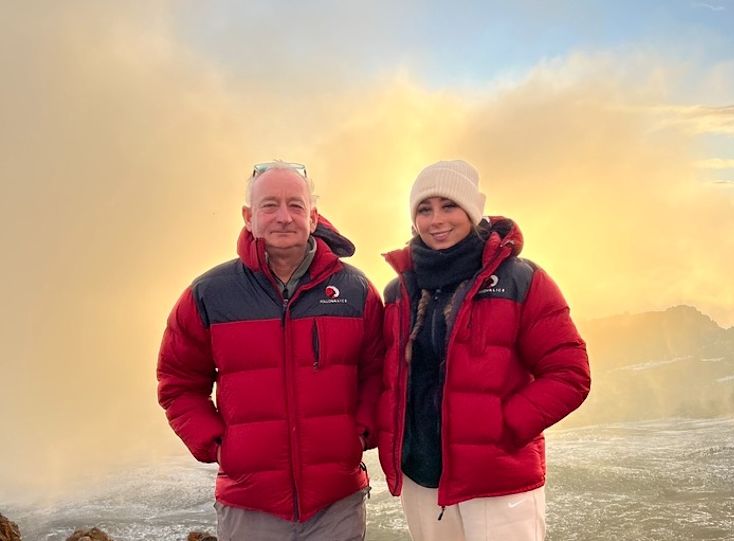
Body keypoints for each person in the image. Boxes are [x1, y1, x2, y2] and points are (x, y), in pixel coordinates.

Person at [157, 161, 384, 541]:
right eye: (269, 205)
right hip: (250, 503)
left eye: (295, 205)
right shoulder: (210, 294)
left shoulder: (355, 291)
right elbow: (177, 382)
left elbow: (379, 374)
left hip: (336, 502)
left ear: (313, 217)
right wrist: (218, 445)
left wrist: (359, 434)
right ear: (249, 217)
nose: (283, 217)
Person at [377, 160, 591, 541]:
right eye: (425, 209)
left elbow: (570, 373)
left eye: (449, 206)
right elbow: (385, 378)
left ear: (472, 213)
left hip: (498, 482)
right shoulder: (400, 292)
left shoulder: (520, 279)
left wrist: (503, 427)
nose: (437, 219)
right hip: (423, 479)